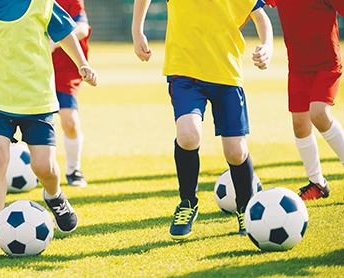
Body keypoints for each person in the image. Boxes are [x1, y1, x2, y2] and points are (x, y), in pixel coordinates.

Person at [0, 0, 98, 248]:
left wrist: (82, 63)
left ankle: (54, 196)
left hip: (36, 99)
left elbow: (65, 33)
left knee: (44, 168)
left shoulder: (42, 3)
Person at [132, 0, 273, 240]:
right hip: (184, 70)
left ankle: (246, 208)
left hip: (227, 73)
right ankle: (187, 203)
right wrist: (137, 32)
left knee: (236, 152)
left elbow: (260, 16)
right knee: (188, 135)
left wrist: (267, 45)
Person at [267, 0, 344, 201]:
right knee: (300, 125)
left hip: (327, 64)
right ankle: (318, 183)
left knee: (319, 114)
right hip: (298, 68)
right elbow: (252, 5)